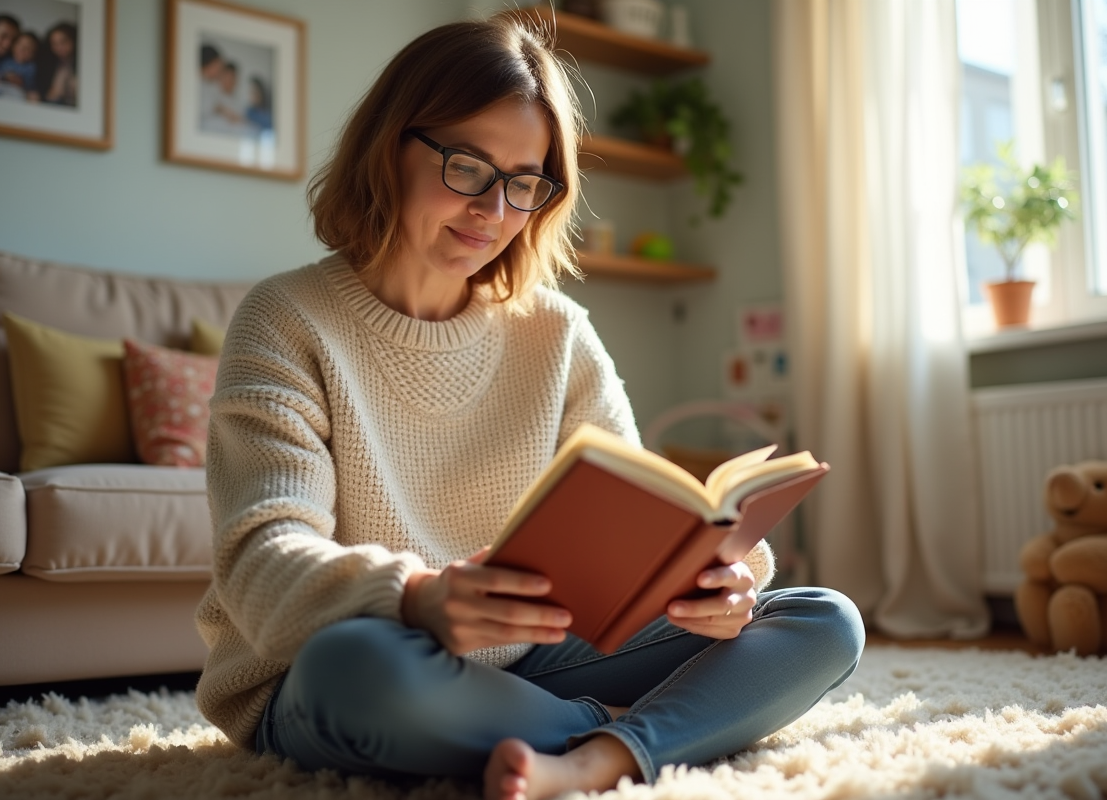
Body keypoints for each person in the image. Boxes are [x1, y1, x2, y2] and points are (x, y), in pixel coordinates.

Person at [194, 15, 865, 800]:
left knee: (822, 620)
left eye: (524, 183)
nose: (493, 210)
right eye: (467, 166)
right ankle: (649, 727)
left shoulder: (556, 332)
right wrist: (419, 598)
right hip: (340, 664)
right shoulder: (286, 318)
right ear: (390, 146)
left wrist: (722, 581)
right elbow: (261, 563)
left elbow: (644, 518)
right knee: (359, 666)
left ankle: (589, 757)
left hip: (532, 656)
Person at [0, 30, 40, 102]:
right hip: (0, 88)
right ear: (13, 46)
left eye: (28, 48)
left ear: (34, 53)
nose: (22, 49)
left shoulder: (31, 67)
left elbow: (30, 86)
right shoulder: (5, 61)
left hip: (19, 92)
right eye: (20, 44)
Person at [38, 22, 78, 107]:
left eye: (63, 41)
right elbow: (48, 97)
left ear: (73, 40)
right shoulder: (47, 64)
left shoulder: (84, 62)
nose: (59, 47)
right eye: (54, 44)